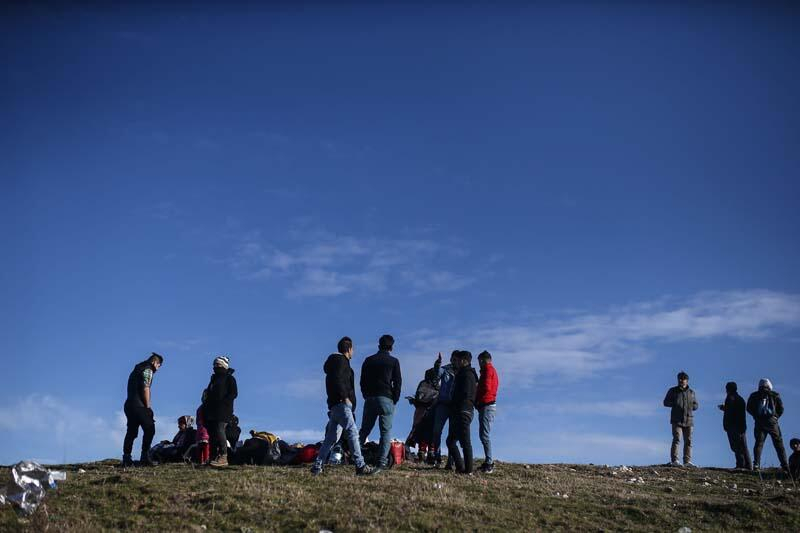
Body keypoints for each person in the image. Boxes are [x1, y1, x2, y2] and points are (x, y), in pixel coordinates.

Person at [311, 337, 374, 476]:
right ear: (349, 349)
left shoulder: (335, 363)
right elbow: (338, 380)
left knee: (331, 438)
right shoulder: (341, 362)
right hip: (341, 403)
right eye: (353, 349)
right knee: (352, 432)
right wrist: (345, 397)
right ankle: (360, 465)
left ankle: (317, 465)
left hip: (334, 405)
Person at [359, 334, 402, 472]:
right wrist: (394, 398)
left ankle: (355, 456)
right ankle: (381, 462)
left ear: (379, 345)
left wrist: (366, 395)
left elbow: (362, 381)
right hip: (386, 398)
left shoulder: (368, 360)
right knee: (385, 432)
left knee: (364, 430)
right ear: (391, 347)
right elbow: (398, 382)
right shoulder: (394, 361)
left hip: (370, 398)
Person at [122, 352, 164, 467]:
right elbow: (146, 388)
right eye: (159, 366)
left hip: (129, 405)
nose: (157, 369)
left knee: (131, 432)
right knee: (150, 429)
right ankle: (145, 456)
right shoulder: (148, 369)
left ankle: (126, 458)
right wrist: (148, 407)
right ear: (155, 362)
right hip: (139, 406)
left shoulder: (136, 369)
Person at [746, 378, 789, 472]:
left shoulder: (754, 395)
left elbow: (748, 408)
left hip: (759, 421)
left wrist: (755, 416)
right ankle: (785, 465)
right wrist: (776, 417)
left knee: (759, 444)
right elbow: (781, 408)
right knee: (778, 444)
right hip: (772, 422)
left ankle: (756, 465)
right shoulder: (774, 395)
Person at [446, 350, 478, 474]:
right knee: (451, 441)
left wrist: (457, 405)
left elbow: (464, 393)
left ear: (464, 361)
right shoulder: (466, 374)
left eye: (459, 360)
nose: (457, 363)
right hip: (461, 410)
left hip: (463, 410)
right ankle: (460, 467)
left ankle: (468, 470)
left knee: (465, 442)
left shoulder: (467, 375)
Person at [203, 355, 238, 467]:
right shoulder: (213, 379)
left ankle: (223, 456)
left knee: (220, 430)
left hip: (224, 411)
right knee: (212, 434)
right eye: (214, 364)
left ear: (224, 365)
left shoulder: (230, 378)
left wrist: (224, 403)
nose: (215, 366)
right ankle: (213, 457)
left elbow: (233, 393)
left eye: (218, 364)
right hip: (211, 411)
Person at [663, 371, 698, 467]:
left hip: (689, 420)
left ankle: (687, 461)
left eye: (683, 379)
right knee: (677, 439)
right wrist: (675, 404)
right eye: (680, 379)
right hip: (676, 420)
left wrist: (691, 406)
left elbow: (696, 405)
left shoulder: (691, 392)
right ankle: (675, 460)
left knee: (688, 441)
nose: (681, 381)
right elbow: (665, 402)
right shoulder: (672, 391)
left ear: (687, 381)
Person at [405, 366, 440, 461]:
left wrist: (415, 401)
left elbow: (419, 398)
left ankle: (423, 452)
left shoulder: (423, 384)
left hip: (422, 411)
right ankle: (428, 453)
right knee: (428, 432)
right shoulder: (437, 387)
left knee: (421, 431)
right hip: (430, 412)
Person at [431, 351, 457, 468]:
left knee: (452, 434)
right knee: (437, 431)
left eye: (456, 359)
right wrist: (437, 363)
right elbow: (436, 373)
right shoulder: (445, 369)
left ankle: (451, 460)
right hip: (442, 404)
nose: (454, 360)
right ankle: (437, 457)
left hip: (454, 405)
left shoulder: (462, 372)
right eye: (453, 358)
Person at [717, 382, 751, 470]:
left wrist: (724, 409)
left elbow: (730, 412)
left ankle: (741, 464)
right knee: (743, 446)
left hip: (733, 426)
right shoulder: (740, 399)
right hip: (741, 426)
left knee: (737, 446)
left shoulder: (730, 398)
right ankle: (748, 465)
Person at [475, 350, 499, 474]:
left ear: (483, 360)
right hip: (488, 404)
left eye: (479, 361)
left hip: (487, 405)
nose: (478, 364)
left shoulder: (488, 370)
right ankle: (488, 461)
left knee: (484, 434)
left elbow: (486, 387)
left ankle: (489, 463)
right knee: (484, 434)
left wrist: (478, 399)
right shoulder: (491, 370)